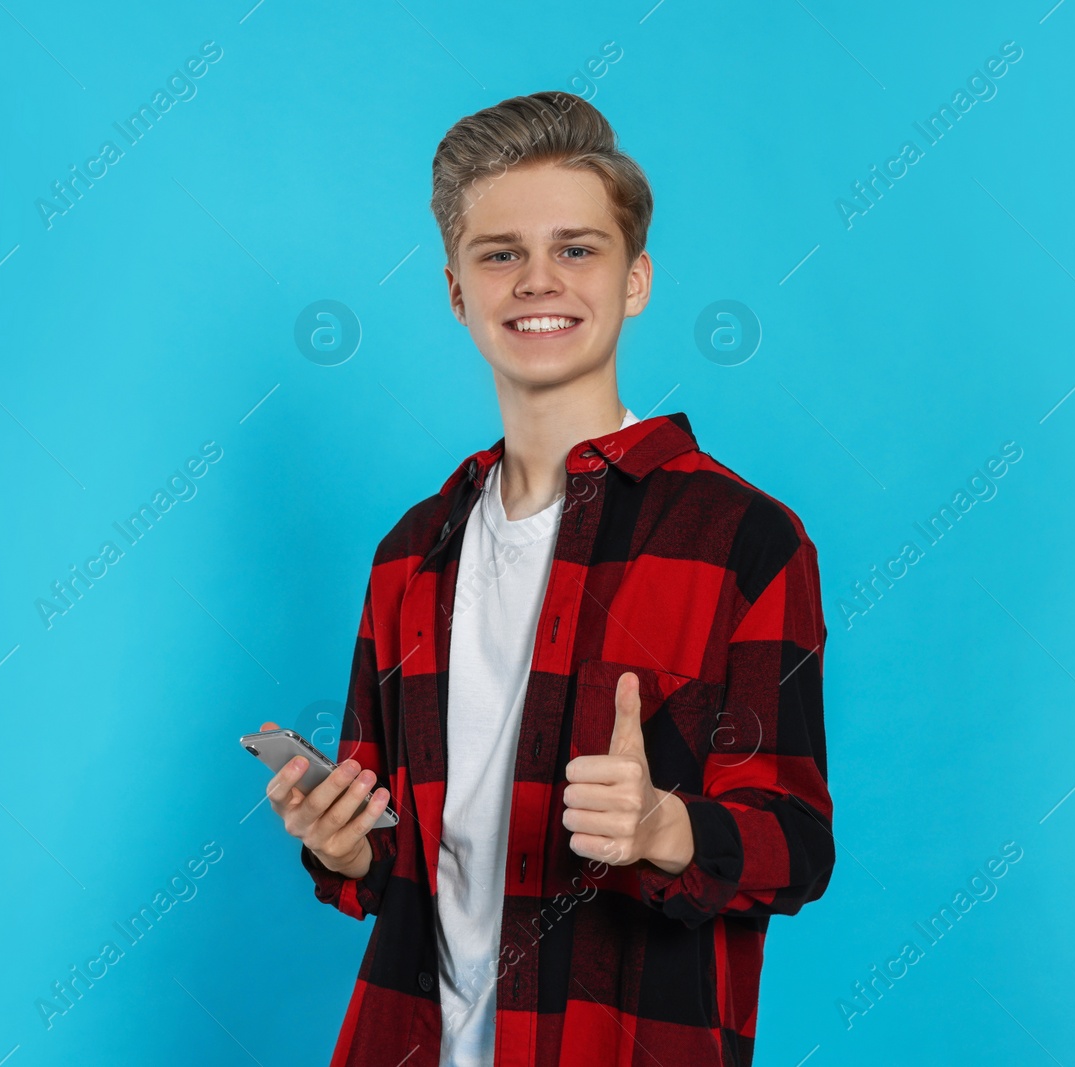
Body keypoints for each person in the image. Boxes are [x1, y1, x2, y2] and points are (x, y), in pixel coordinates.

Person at [266, 89, 833, 1067]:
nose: (538, 281)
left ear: (636, 278)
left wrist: (665, 824)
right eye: (501, 253)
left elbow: (794, 846)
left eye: (576, 249)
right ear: (455, 290)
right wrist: (344, 843)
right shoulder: (411, 552)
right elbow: (397, 858)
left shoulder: (743, 537)